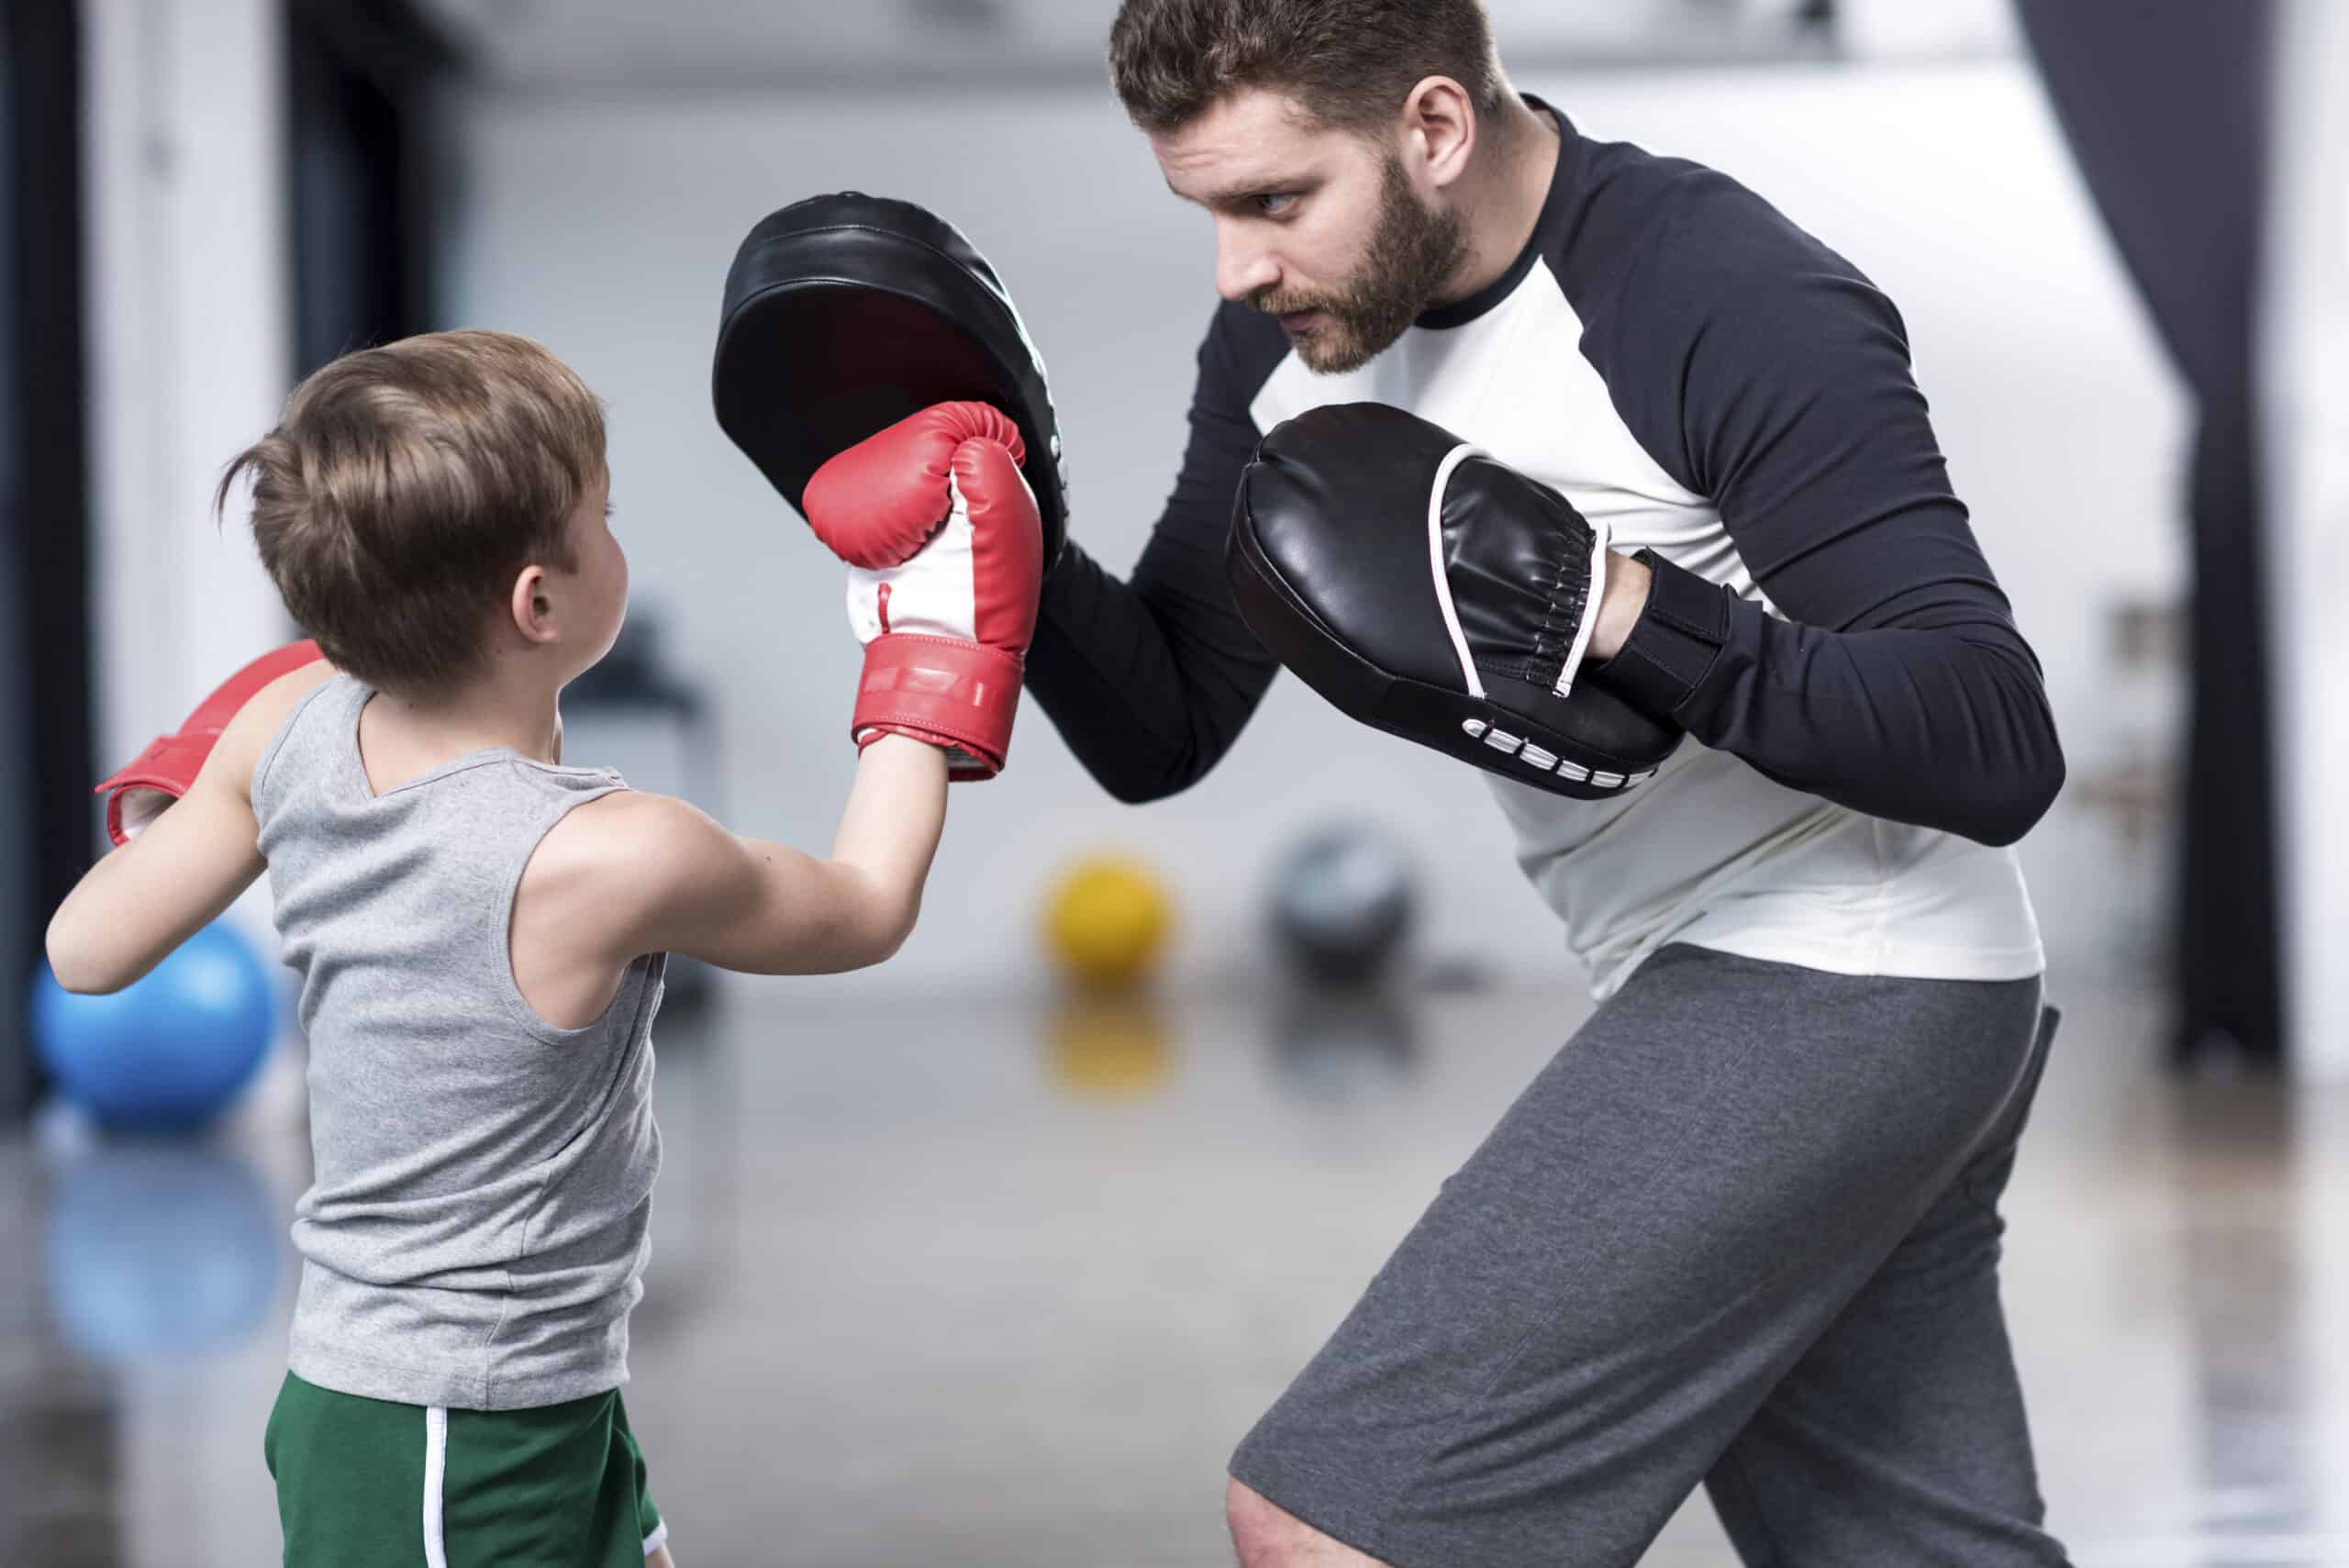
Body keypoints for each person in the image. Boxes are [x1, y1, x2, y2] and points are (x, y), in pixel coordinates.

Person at [1022, 2, 2071, 1562]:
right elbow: (1165, 722)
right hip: (1737, 970)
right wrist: (997, 531)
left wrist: (1621, 608)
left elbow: (1991, 735)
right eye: (1211, 212)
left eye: (1273, 201)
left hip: (1851, 956)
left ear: (1433, 128)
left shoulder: (1709, 290)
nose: (1238, 266)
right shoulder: (1284, 331)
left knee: (1331, 1518)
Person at [44, 331, 1046, 1566]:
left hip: (517, 1389)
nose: (623, 535)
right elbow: (861, 901)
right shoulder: (608, 856)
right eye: (606, 516)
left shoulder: (284, 725)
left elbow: (83, 951)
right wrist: (932, 635)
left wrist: (196, 793)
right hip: (445, 1436)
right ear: (538, 601)